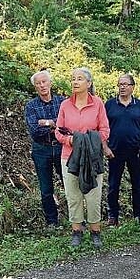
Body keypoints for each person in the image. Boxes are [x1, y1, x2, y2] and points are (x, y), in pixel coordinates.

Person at [55, 68, 111, 248]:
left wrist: (88, 141)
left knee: (93, 195)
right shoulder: (65, 105)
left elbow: (105, 130)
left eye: (79, 79)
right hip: (68, 156)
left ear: (89, 83)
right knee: (73, 195)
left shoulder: (97, 103)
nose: (75, 82)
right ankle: (76, 231)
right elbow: (58, 130)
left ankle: (95, 231)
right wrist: (70, 140)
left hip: (92, 156)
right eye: (73, 79)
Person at [25, 69, 66, 228]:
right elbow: (34, 131)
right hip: (41, 149)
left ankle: (76, 220)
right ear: (35, 87)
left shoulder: (62, 102)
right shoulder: (31, 106)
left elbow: (66, 126)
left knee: (69, 184)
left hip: (62, 147)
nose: (42, 85)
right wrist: (56, 124)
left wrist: (47, 122)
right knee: (46, 188)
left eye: (44, 82)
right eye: (38, 83)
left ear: (50, 83)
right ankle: (51, 222)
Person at [104, 74, 140, 226]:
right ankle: (113, 216)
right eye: (120, 84)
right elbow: (101, 127)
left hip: (135, 151)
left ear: (132, 87)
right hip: (114, 151)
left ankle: (139, 216)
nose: (122, 87)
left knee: (138, 184)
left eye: (125, 84)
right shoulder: (109, 105)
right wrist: (105, 147)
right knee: (113, 185)